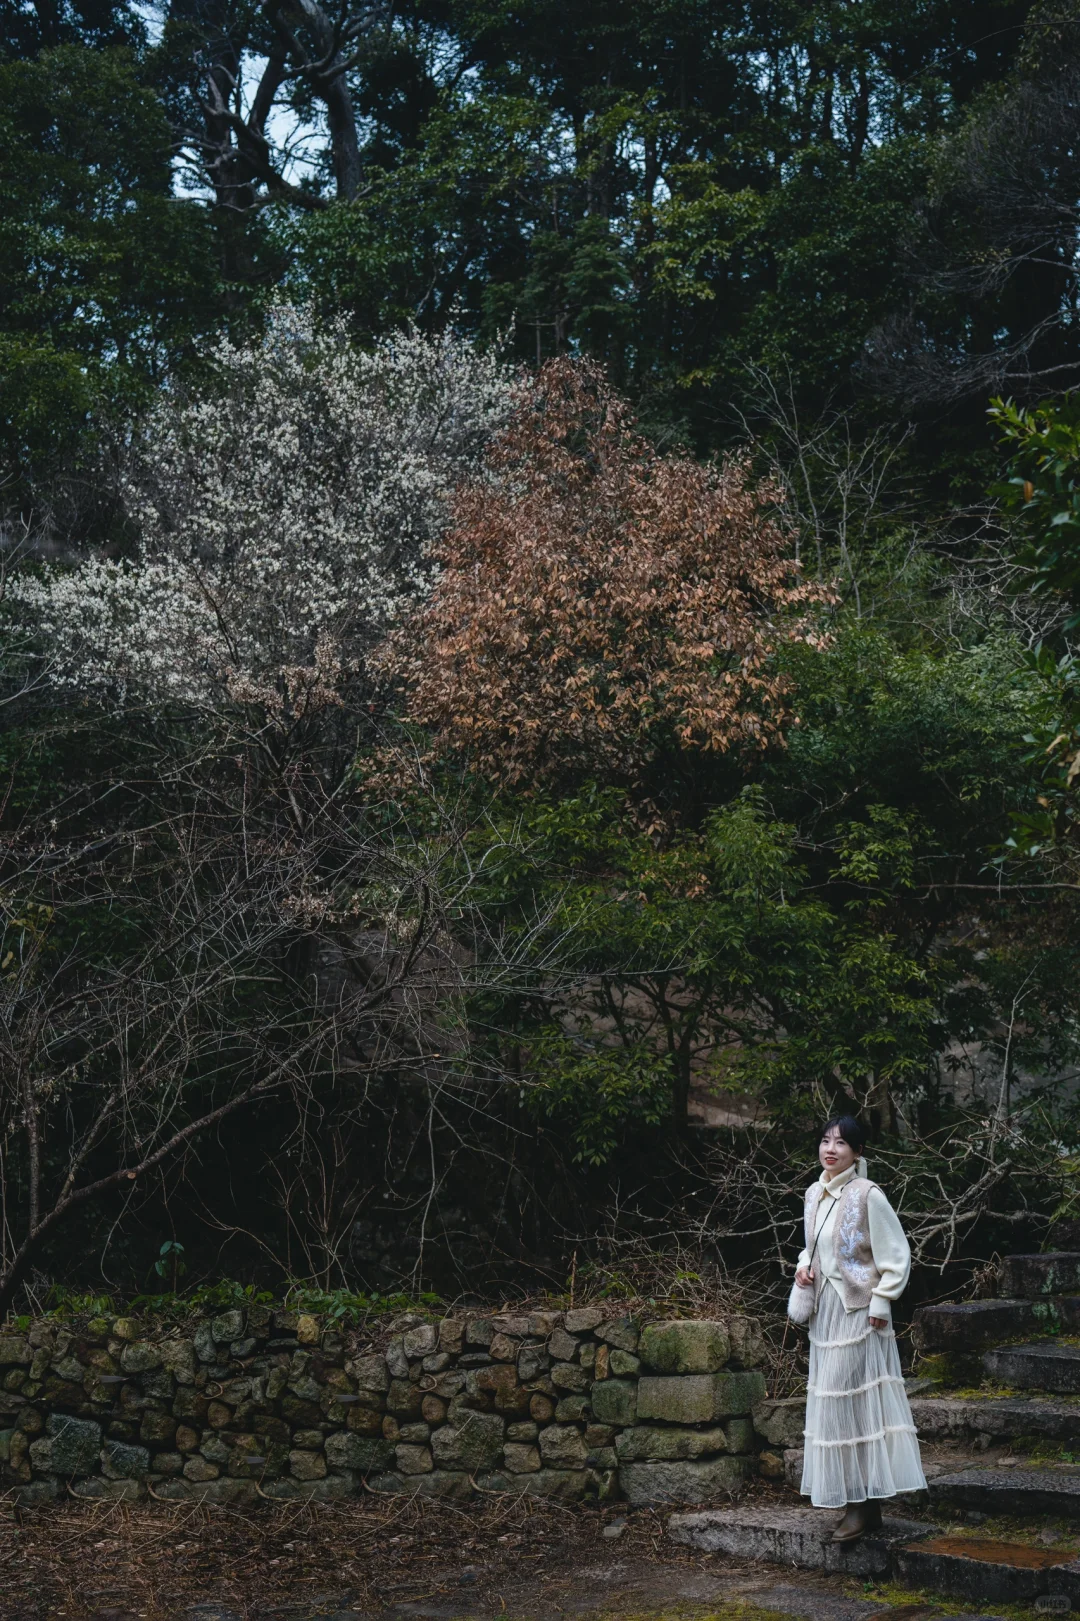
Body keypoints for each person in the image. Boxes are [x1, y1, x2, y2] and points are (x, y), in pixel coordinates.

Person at [791, 1114, 926, 1541]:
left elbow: (897, 1255)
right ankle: (867, 1505)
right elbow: (813, 1245)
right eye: (825, 1141)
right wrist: (803, 1267)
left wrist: (883, 1300)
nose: (830, 1149)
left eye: (841, 1143)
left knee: (850, 1405)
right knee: (835, 1405)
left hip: (860, 1311)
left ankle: (860, 1505)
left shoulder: (868, 1194)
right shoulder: (814, 1193)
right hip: (826, 1311)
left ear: (857, 1151)